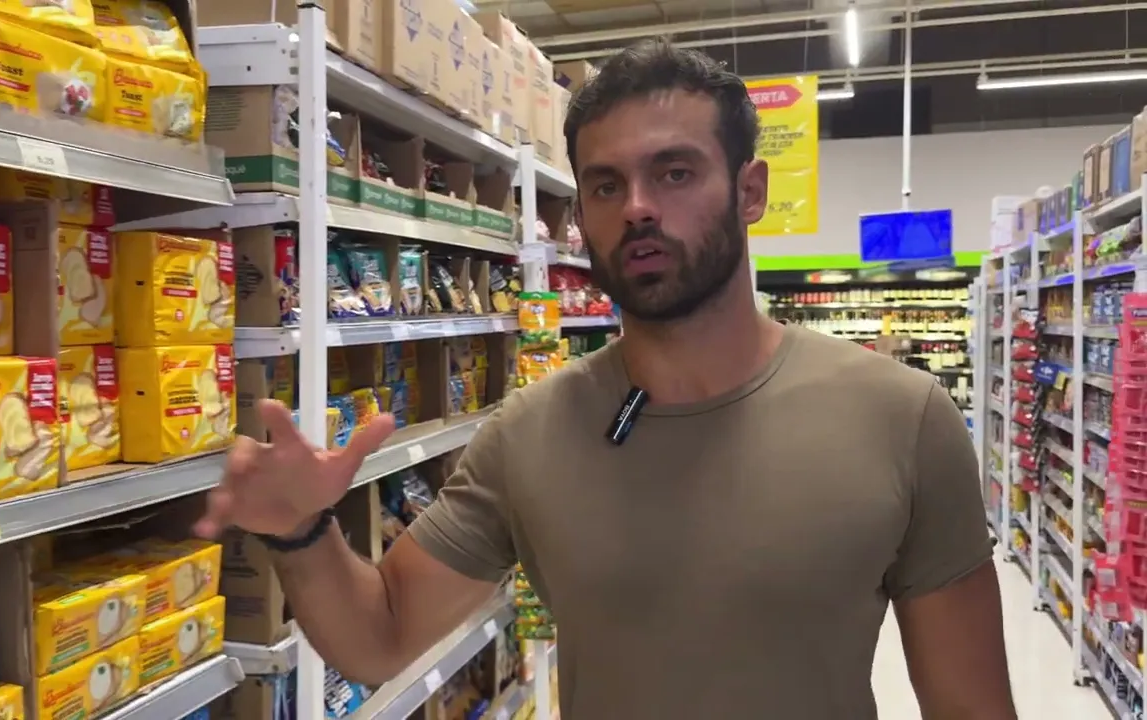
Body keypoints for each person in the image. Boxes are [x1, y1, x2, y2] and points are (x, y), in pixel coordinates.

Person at [196, 38, 1016, 719]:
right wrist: (301, 535)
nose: (637, 208)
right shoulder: (529, 434)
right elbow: (381, 636)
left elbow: (971, 706)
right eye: (606, 184)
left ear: (750, 191)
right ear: (581, 216)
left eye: (675, 172)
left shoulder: (900, 418)